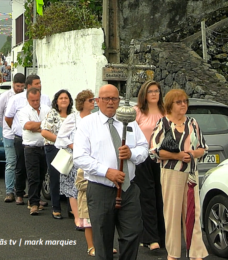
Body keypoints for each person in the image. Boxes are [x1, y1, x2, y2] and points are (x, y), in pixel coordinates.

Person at [73, 84, 148, 260]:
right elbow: (79, 157)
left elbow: (144, 147)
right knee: (103, 240)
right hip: (101, 189)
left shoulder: (129, 122)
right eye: (106, 99)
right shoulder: (88, 124)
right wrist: (107, 172)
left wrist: (132, 153)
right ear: (98, 101)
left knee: (132, 234)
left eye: (114, 98)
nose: (110, 102)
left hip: (128, 189)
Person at [150, 89, 208, 260]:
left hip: (191, 173)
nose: (183, 104)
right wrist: (177, 156)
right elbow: (154, 151)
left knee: (193, 212)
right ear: (170, 105)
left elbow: (203, 148)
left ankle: (196, 253)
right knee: (172, 214)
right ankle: (173, 254)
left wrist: (191, 154)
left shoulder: (193, 123)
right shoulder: (163, 124)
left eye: (185, 101)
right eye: (179, 102)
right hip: (171, 173)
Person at [4, 75, 51, 206]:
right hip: (21, 138)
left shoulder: (46, 98)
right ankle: (19, 193)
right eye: (37, 83)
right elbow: (8, 118)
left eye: (40, 83)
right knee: (21, 167)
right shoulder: (16, 99)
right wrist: (21, 129)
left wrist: (37, 127)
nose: (40, 85)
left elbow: (50, 120)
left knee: (39, 170)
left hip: (42, 140)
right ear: (29, 86)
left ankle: (35, 197)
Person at [133, 80, 166, 250]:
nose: (154, 94)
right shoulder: (137, 112)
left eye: (156, 91)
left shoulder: (165, 111)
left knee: (162, 198)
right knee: (147, 197)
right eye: (150, 91)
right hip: (144, 158)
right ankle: (151, 238)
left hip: (163, 158)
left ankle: (163, 236)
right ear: (144, 94)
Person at [55, 89, 94, 226]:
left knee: (86, 188)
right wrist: (74, 147)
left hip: (90, 158)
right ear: (82, 103)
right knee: (73, 188)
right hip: (74, 158)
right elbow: (61, 138)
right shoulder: (73, 118)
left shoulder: (95, 118)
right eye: (90, 100)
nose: (93, 102)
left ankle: (86, 217)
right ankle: (77, 218)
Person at [41, 89, 73, 219]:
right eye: (61, 98)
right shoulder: (52, 114)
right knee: (55, 178)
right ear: (56, 101)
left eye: (66, 98)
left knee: (71, 178)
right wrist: (62, 141)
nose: (64, 100)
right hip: (53, 148)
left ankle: (72, 209)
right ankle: (56, 208)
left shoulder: (73, 115)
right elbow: (44, 132)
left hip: (70, 149)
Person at [0, 73, 25, 202]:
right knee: (11, 162)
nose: (20, 88)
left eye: (22, 86)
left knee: (21, 164)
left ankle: (20, 190)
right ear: (13, 84)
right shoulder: (5, 96)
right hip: (9, 135)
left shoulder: (25, 96)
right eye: (18, 86)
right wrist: (7, 127)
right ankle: (9, 191)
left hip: (22, 135)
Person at [18, 88, 50, 215]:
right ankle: (34, 204)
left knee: (42, 175)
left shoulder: (47, 109)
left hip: (45, 146)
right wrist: (43, 125)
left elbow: (50, 126)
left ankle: (35, 198)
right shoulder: (23, 111)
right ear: (28, 99)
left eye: (37, 100)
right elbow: (29, 126)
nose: (35, 102)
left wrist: (38, 126)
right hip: (30, 148)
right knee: (33, 176)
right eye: (33, 100)